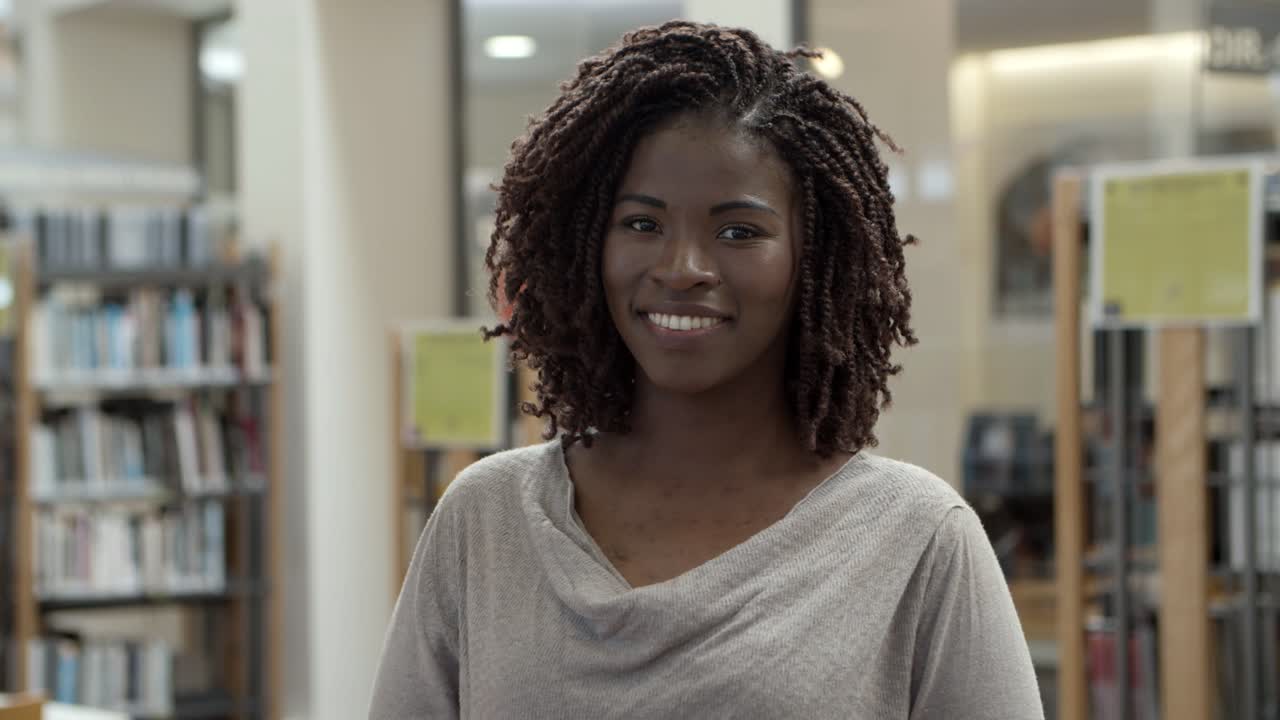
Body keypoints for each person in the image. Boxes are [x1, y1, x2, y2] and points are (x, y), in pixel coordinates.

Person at [370, 21, 1042, 719]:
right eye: (641, 224)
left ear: (813, 259)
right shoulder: (486, 520)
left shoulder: (916, 539)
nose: (682, 268)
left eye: (738, 232)